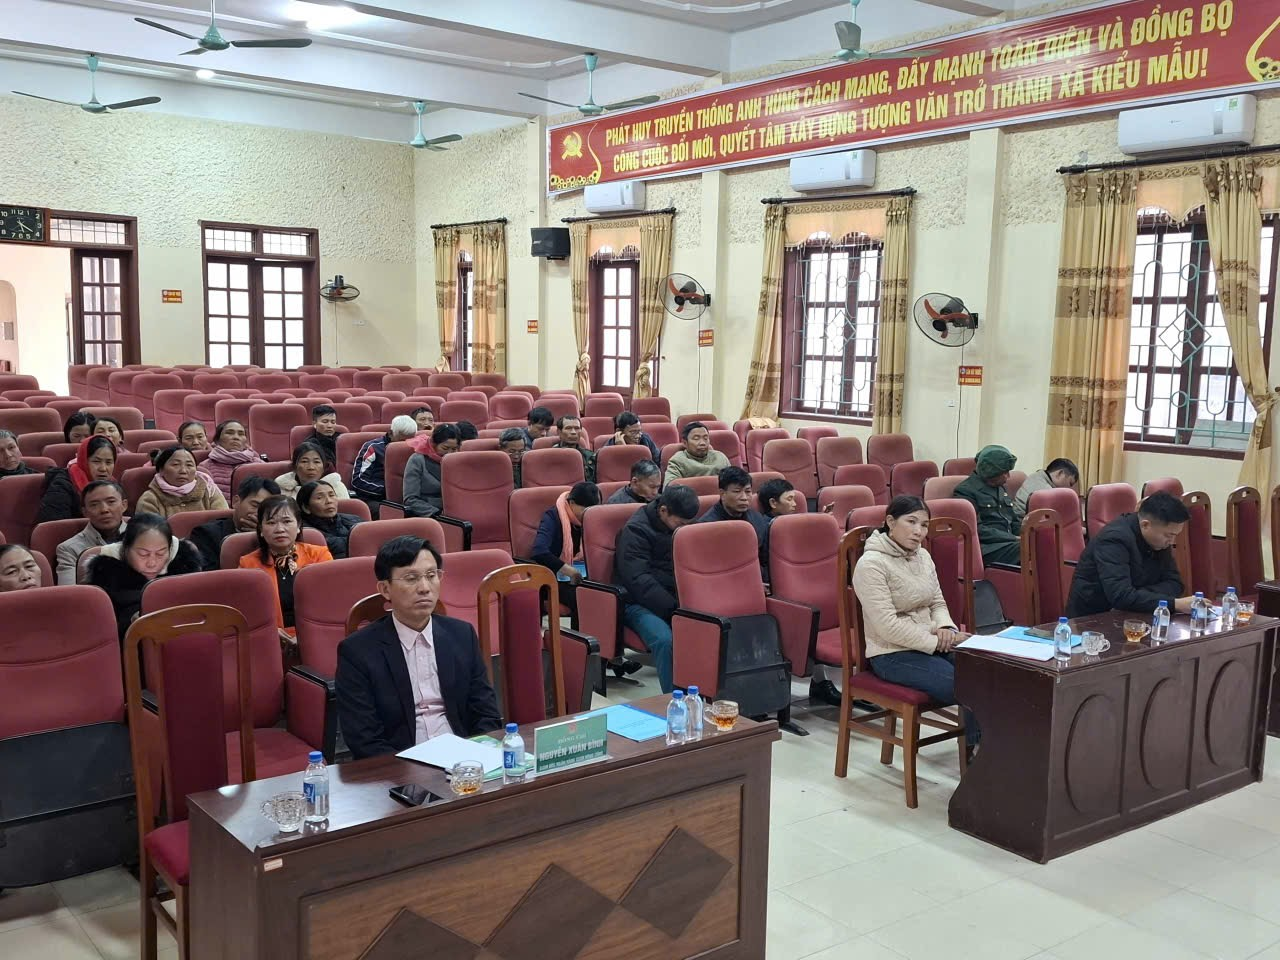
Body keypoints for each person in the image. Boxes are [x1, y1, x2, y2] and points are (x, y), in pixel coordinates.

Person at [334, 535, 502, 759]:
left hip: (464, 760)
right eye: (411, 578)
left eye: (431, 576)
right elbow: (363, 739)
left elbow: (486, 713)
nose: (424, 588)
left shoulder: (462, 635)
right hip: (400, 764)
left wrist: (477, 758)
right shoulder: (357, 651)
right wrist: (410, 772)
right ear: (385, 589)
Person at [852, 495, 977, 747]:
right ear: (890, 522)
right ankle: (979, 755)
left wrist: (946, 627)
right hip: (892, 653)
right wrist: (938, 640)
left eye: (924, 525)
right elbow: (887, 626)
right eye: (911, 522)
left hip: (932, 642)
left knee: (988, 673)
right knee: (968, 686)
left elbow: (937, 602)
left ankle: (994, 751)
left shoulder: (923, 556)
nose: (919, 531)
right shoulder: (871, 564)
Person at [614, 484, 701, 693]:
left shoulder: (682, 524)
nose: (684, 528)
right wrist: (674, 610)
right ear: (663, 511)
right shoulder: (636, 530)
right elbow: (638, 580)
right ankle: (675, 700)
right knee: (665, 640)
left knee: (715, 628)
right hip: (637, 602)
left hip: (676, 598)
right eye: (680, 523)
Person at [1066, 491, 1193, 618]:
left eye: (1175, 535)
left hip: (1134, 614)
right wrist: (1174, 604)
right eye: (1169, 535)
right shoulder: (1114, 540)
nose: (1172, 541)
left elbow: (1176, 584)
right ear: (1145, 525)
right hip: (1093, 619)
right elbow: (1120, 596)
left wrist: (1138, 595)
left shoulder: (1159, 540)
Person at [87, 513, 202, 640]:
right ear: (125, 549)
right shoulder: (106, 577)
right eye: (143, 554)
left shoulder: (185, 569)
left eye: (160, 554)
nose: (152, 563)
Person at [237, 495, 333, 633]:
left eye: (287, 521)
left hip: (316, 633)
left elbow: (330, 602)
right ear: (261, 530)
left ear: (298, 526)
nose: (279, 529)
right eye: (271, 523)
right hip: (269, 635)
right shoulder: (247, 564)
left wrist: (306, 635)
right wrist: (271, 632)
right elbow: (244, 610)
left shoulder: (319, 555)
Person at [189, 477, 280, 571]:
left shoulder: (279, 535)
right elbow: (209, 575)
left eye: (267, 509)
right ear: (236, 501)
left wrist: (261, 538)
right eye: (255, 505)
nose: (260, 513)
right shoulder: (205, 534)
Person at [531, 480, 599, 602]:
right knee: (588, 599)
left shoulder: (593, 517)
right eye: (585, 510)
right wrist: (569, 570)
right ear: (572, 503)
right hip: (556, 576)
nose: (589, 515)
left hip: (585, 573)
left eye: (592, 510)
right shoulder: (552, 517)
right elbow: (539, 551)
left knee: (608, 594)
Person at [953, 444, 1021, 566]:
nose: (1008, 476)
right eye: (1005, 472)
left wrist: (1027, 533)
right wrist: (1013, 538)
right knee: (1027, 548)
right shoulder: (965, 491)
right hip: (986, 547)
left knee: (1040, 542)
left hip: (1008, 544)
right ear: (992, 472)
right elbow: (977, 530)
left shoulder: (999, 487)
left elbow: (1013, 521)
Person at [698, 467, 771, 579]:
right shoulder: (706, 526)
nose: (744, 498)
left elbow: (765, 560)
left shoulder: (757, 519)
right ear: (722, 494)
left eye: (748, 491)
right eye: (737, 492)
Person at [56, 479, 128, 584]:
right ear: (85, 512)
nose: (104, 510)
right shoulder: (69, 549)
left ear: (124, 505)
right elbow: (68, 591)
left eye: (111, 502)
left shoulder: (142, 537)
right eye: (94, 505)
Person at [37, 437, 116, 523]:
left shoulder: (114, 485)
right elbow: (55, 526)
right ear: (84, 461)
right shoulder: (62, 485)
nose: (103, 468)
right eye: (96, 461)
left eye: (108, 462)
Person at [134, 446, 228, 518]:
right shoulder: (149, 499)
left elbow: (223, 522)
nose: (183, 471)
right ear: (161, 470)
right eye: (175, 465)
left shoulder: (210, 491)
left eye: (189, 465)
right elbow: (149, 532)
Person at [351, 415, 417, 515]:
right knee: (393, 513)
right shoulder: (373, 448)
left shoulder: (415, 448)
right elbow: (358, 481)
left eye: (410, 440)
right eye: (402, 440)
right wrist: (389, 490)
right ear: (391, 433)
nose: (405, 444)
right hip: (377, 497)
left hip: (408, 496)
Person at [404, 423, 459, 518]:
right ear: (434, 444)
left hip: (456, 511)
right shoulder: (417, 460)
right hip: (430, 513)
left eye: (454, 449)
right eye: (445, 448)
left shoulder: (458, 461)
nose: (449, 453)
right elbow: (410, 499)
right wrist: (437, 514)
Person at [298, 479, 363, 559]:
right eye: (319, 498)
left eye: (331, 495)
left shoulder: (355, 520)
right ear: (306, 507)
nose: (329, 501)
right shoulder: (304, 531)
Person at [205, 420, 262, 502]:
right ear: (217, 440)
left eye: (241, 434)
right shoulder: (205, 466)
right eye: (229, 433)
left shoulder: (260, 465)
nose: (236, 437)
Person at [275, 440, 349, 500]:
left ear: (324, 467)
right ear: (295, 466)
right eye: (304, 461)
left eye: (316, 462)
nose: (311, 467)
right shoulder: (282, 488)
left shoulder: (336, 487)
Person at [664, 421, 730, 485]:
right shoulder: (678, 461)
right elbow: (669, 487)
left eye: (705, 438)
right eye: (696, 438)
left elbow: (733, 483)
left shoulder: (720, 457)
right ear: (684, 443)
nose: (702, 443)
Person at [1013, 457, 1080, 519]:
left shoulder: (1036, 475)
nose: (1069, 488)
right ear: (1060, 473)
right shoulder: (1046, 492)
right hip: (1022, 524)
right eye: (1070, 483)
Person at [553, 415, 596, 482]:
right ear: (559, 432)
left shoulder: (590, 456)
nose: (573, 432)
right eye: (568, 428)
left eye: (577, 428)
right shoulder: (551, 455)